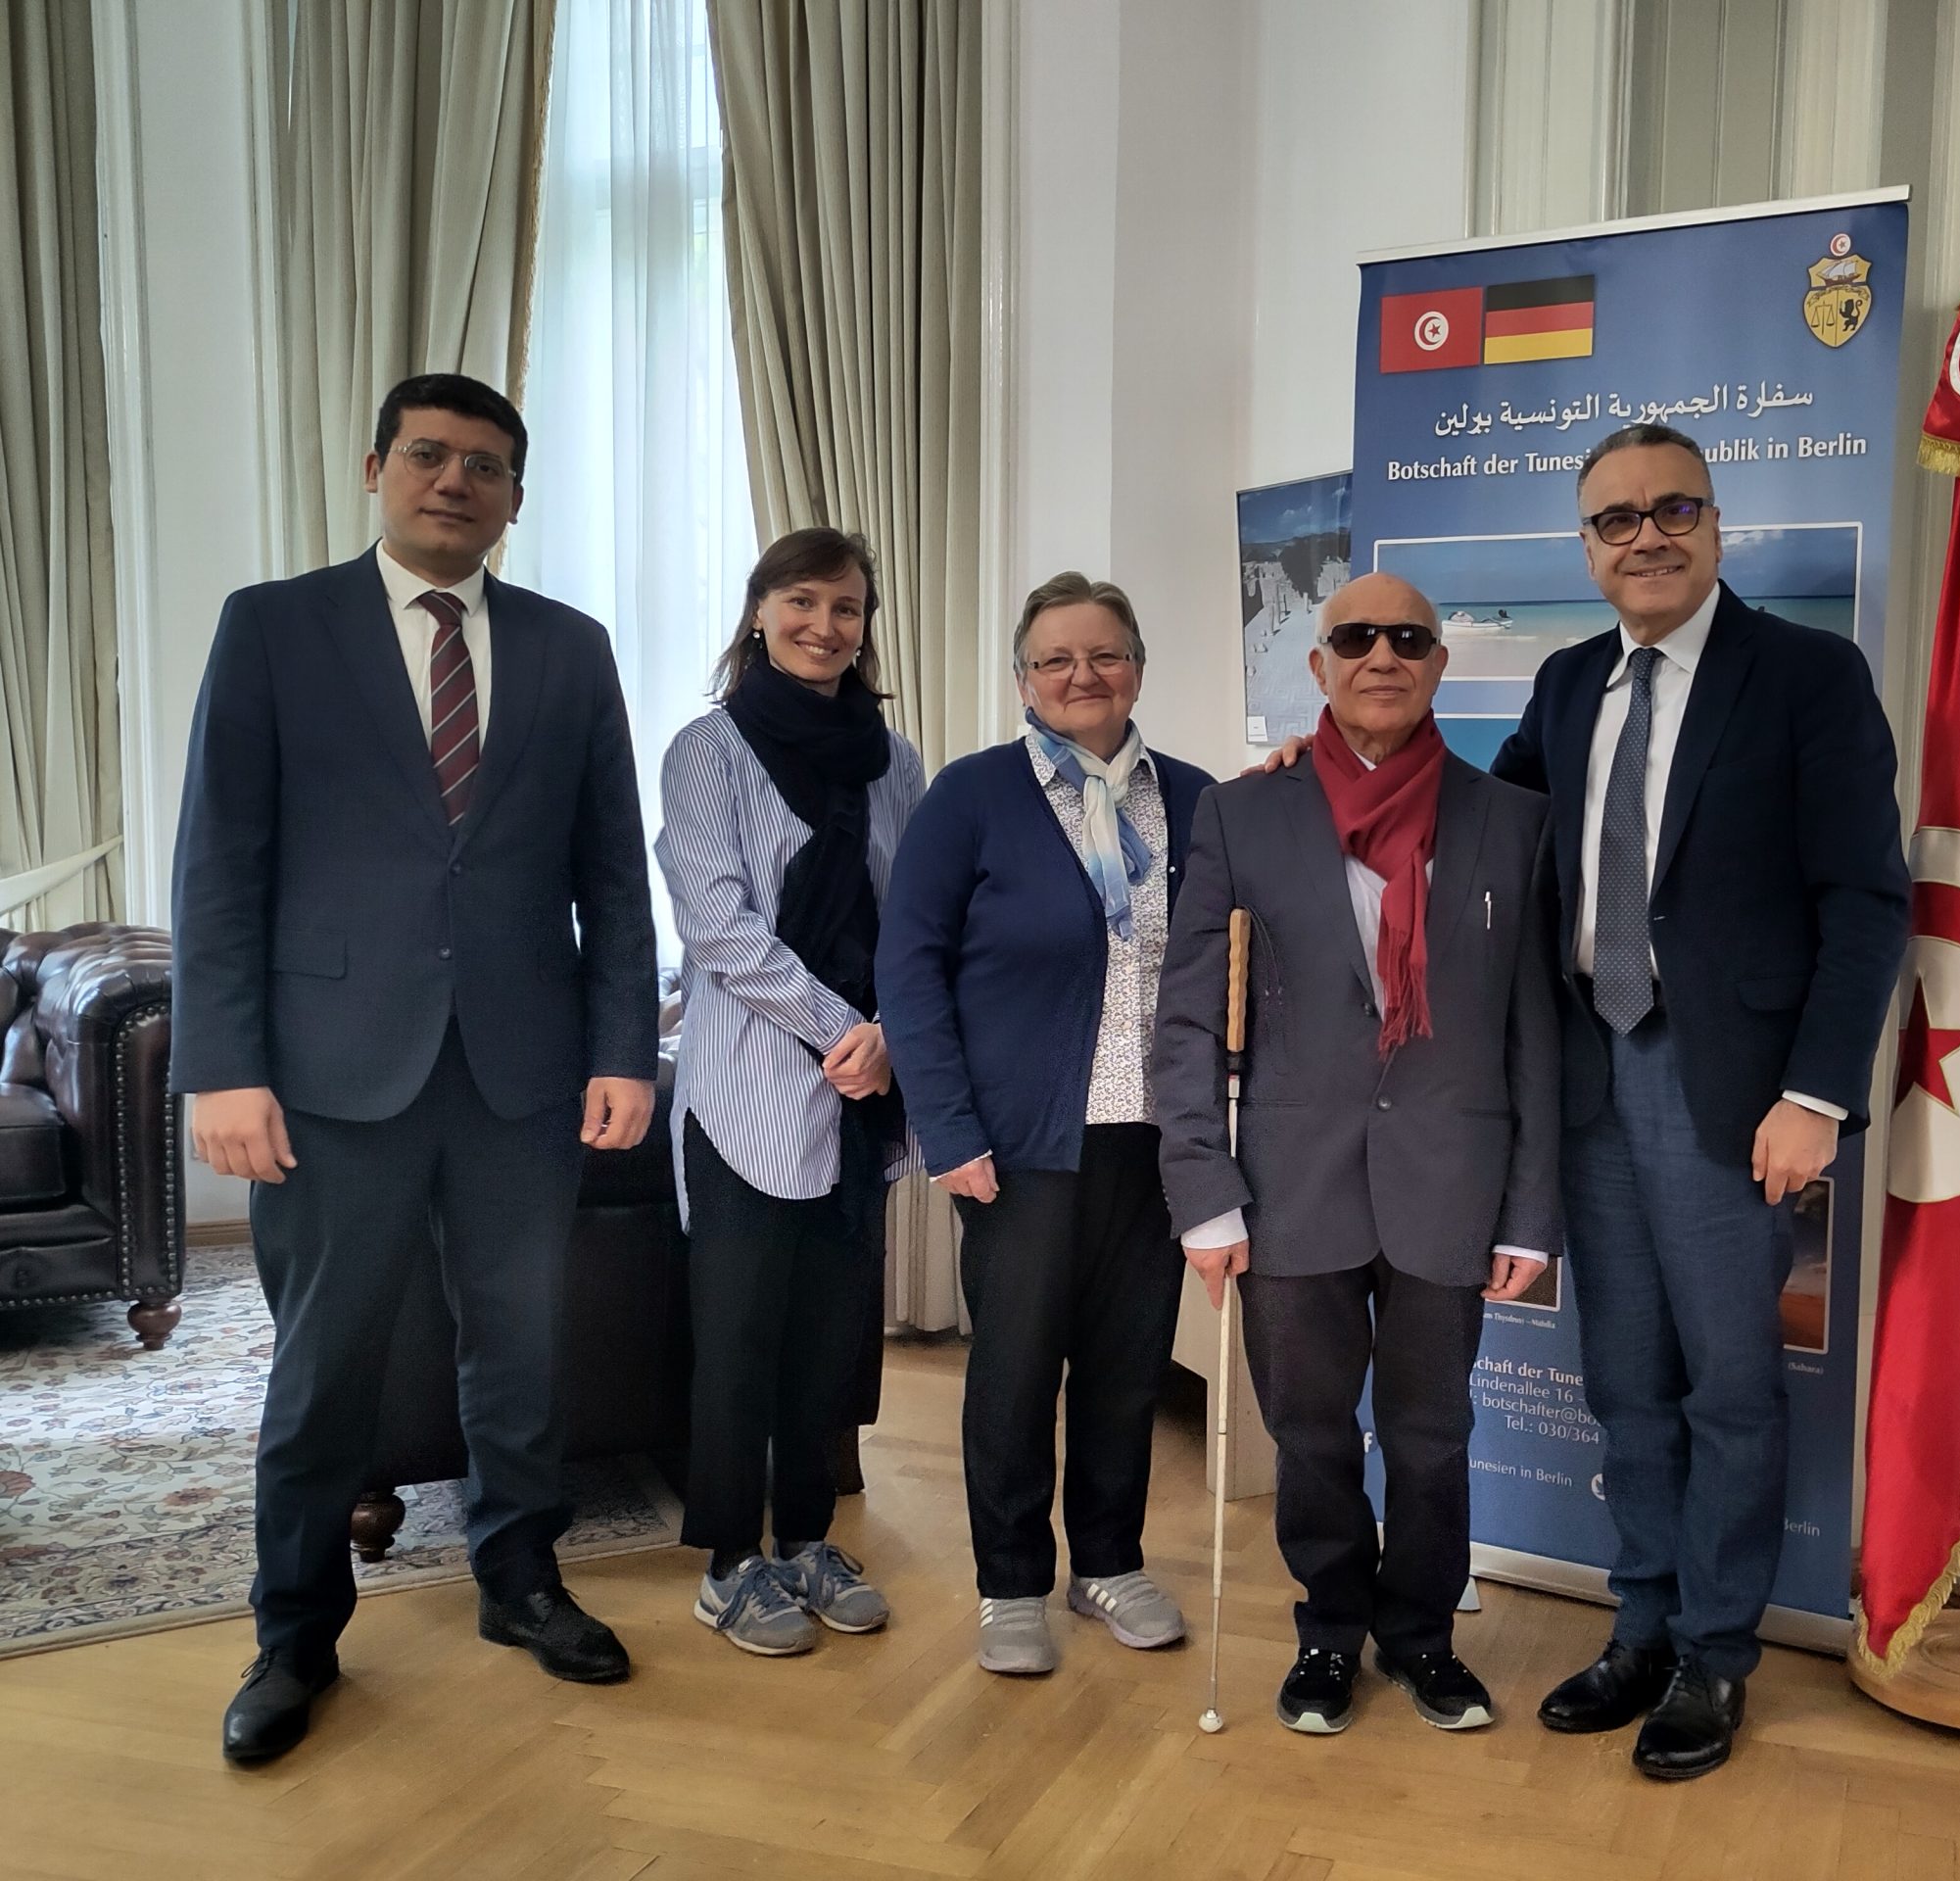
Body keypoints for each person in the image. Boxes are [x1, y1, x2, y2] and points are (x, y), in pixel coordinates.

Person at [172, 372, 658, 1763]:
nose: (456, 481)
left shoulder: (571, 649)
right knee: (326, 1365)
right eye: (431, 457)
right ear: (377, 467)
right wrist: (223, 1066)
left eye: (487, 465)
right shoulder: (272, 629)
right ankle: (293, 1636)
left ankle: (520, 1582)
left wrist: (623, 1045)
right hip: (330, 1079)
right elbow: (221, 865)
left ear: (515, 494)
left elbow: (609, 875)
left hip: (523, 1073)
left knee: (524, 1351)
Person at [1497, 423, 1909, 1779]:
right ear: (1591, 549)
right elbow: (1475, 828)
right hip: (1590, 1080)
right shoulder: (1566, 689)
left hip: (1733, 1092)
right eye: (1616, 520)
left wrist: (1817, 1095)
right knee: (1624, 1380)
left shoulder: (1807, 676)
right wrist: (1322, 775)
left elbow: (1866, 901)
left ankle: (1718, 1656)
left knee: (1733, 1383)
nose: (1647, 535)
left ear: (1717, 525)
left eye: (1674, 508)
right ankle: (1642, 1622)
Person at [1151, 572, 1560, 1738]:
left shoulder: (1508, 820)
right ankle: (1330, 1627)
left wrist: (1529, 1211)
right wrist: (1202, 1193)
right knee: (1310, 1431)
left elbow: (1535, 1031)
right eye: (1354, 638)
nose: (1382, 655)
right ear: (1318, 667)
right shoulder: (1242, 814)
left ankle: (1422, 1634)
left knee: (1433, 1434)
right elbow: (1189, 1018)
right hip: (1287, 1188)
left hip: (1451, 1184)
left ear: (1438, 665)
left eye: (1409, 639)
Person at [879, 572, 1215, 1676]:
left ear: (1137, 667)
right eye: (1056, 659)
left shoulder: (1197, 799)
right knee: (1016, 1371)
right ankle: (1010, 1580)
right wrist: (948, 1127)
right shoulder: (971, 798)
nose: (1083, 676)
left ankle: (1108, 1563)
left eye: (1106, 655)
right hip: (1021, 1146)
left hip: (1158, 1144)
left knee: (1127, 1370)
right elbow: (910, 970)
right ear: (1023, 677)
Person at [654, 527, 925, 1657]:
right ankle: (730, 1562)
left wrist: (894, 1034)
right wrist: (844, 1029)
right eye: (802, 602)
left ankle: (808, 1538)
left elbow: (916, 917)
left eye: (847, 608)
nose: (825, 626)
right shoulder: (706, 749)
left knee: (829, 1332)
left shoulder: (894, 758)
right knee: (738, 1334)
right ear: (759, 611)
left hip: (865, 1094)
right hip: (748, 1091)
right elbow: (718, 928)